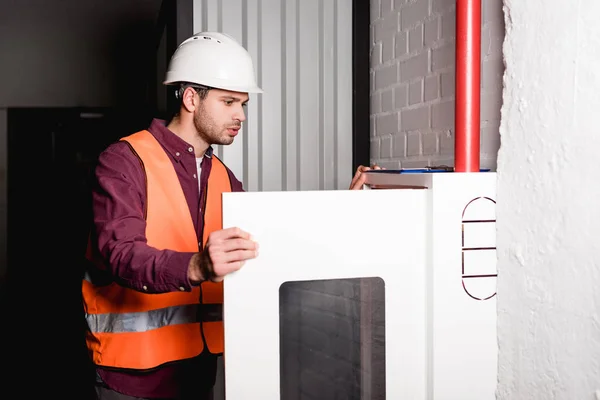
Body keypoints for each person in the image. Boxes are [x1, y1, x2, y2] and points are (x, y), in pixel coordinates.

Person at [83, 31, 375, 400]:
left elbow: (265, 249)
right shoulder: (124, 161)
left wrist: (345, 212)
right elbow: (120, 253)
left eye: (243, 104)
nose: (240, 115)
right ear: (191, 98)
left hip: (200, 373)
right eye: (228, 102)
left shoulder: (224, 177)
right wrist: (195, 267)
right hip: (132, 379)